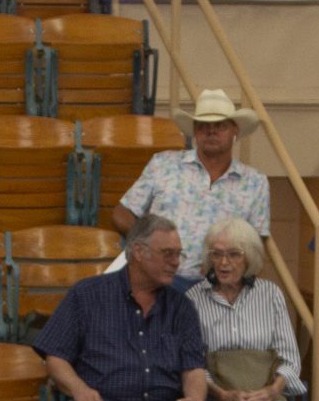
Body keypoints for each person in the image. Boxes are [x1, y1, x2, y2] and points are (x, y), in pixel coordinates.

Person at [35, 214, 218, 401]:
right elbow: (55, 356)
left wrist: (194, 400)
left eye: (179, 254)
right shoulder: (87, 294)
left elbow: (193, 367)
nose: (176, 263)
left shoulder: (182, 306)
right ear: (138, 252)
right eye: (167, 254)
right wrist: (79, 389)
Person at [112, 88, 270, 285]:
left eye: (220, 125)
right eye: (203, 125)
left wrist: (226, 264)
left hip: (216, 285)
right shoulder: (163, 164)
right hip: (157, 279)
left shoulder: (255, 182)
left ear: (235, 131)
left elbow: (256, 242)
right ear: (195, 131)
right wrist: (149, 243)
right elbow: (121, 213)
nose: (211, 131)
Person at [194, 218, 305, 401]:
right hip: (218, 399)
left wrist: (271, 391)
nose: (223, 263)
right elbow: (193, 364)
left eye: (233, 254)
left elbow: (290, 357)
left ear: (250, 259)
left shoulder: (271, 295)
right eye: (217, 254)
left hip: (266, 392)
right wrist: (223, 395)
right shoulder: (193, 298)